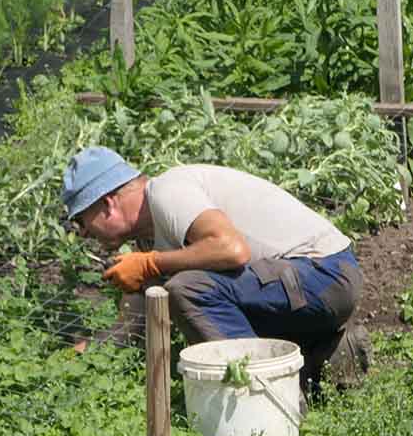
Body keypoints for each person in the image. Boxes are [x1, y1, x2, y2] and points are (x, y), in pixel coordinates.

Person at [61, 146, 368, 396]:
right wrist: (79, 357)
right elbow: (134, 322)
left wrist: (151, 264)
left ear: (108, 204)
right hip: (302, 286)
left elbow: (233, 250)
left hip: (325, 273)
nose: (84, 234)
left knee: (187, 289)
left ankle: (265, 401)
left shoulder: (167, 192)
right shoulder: (148, 238)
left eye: (82, 221)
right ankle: (325, 355)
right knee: (189, 290)